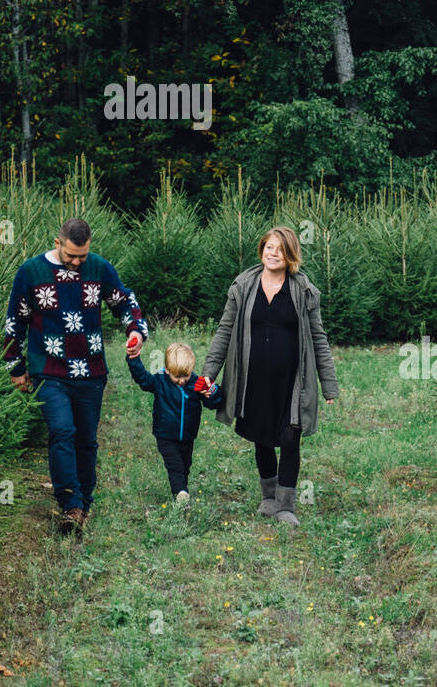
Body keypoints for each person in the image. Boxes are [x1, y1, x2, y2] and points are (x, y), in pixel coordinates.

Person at [2, 217, 147, 535]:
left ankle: (85, 501)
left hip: (91, 370)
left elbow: (123, 301)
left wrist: (135, 330)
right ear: (57, 244)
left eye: (82, 255)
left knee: (86, 440)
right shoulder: (32, 272)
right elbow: (15, 320)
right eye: (71, 256)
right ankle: (70, 506)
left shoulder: (99, 268)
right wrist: (15, 366)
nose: (77, 262)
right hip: (49, 370)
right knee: (62, 432)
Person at [201, 226, 338, 527]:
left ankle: (286, 505)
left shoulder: (303, 290)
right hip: (252, 379)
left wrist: (328, 383)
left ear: (290, 255)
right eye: (268, 247)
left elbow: (318, 337)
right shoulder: (243, 286)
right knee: (260, 434)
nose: (272, 253)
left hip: (292, 381)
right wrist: (208, 374)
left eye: (279, 249)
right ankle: (268, 497)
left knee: (290, 435)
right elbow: (225, 330)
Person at [126, 342, 224, 504]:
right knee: (175, 465)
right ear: (168, 370)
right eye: (176, 376)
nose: (181, 380)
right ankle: (181, 492)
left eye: (185, 375)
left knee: (185, 466)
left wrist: (211, 390)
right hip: (165, 435)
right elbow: (143, 380)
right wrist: (134, 360)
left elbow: (212, 403)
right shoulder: (160, 381)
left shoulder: (195, 383)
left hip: (187, 436)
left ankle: (180, 492)